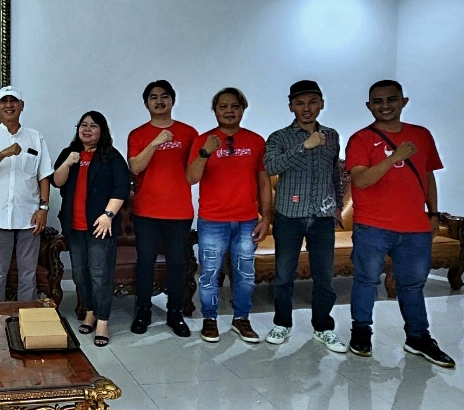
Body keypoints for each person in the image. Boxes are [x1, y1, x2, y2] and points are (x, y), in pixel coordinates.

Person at [345, 80, 455, 368]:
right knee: (366, 281)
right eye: (378, 101)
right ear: (369, 106)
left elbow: (428, 176)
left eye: (391, 99)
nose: (385, 106)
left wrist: (434, 213)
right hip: (372, 225)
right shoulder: (361, 139)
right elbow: (361, 180)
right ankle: (361, 333)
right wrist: (395, 157)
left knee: (413, 285)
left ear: (403, 101)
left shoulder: (421, 135)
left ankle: (418, 337)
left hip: (415, 227)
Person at [262, 80, 347, 353]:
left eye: (312, 102)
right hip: (289, 216)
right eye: (300, 103)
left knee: (324, 277)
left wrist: (337, 207)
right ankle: (282, 324)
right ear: (291, 107)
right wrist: (304, 146)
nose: (306, 108)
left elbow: (335, 174)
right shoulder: (279, 137)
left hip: (322, 216)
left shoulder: (332, 136)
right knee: (283, 275)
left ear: (321, 104)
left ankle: (323, 327)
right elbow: (270, 166)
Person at [186, 87, 271, 344]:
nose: (229, 111)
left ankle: (241, 318)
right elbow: (191, 178)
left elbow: (264, 181)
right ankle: (209, 319)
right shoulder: (203, 140)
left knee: (245, 273)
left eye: (235, 106)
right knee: (209, 273)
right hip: (213, 220)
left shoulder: (256, 141)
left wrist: (266, 217)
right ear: (215, 111)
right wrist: (205, 152)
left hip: (247, 220)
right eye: (223, 106)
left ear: (243, 109)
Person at [126, 80, 198, 337]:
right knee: (145, 262)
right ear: (146, 104)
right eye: (153, 97)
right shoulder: (138, 134)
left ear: (172, 100)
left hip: (179, 211)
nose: (159, 101)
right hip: (146, 211)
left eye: (164, 96)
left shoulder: (189, 133)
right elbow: (135, 167)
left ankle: (175, 312)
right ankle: (143, 310)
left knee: (177, 264)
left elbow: (194, 173)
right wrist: (156, 143)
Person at [52, 111, 129, 346]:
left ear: (102, 131)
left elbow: (121, 188)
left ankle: (103, 321)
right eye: (83, 125)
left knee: (100, 274)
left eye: (93, 126)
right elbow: (57, 181)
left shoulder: (111, 156)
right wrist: (68, 162)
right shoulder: (70, 154)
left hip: (100, 227)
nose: (87, 129)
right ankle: (90, 312)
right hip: (74, 227)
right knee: (79, 274)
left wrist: (108, 216)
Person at [0, 86, 54, 302]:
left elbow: (44, 176)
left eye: (14, 101)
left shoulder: (35, 138)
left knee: (28, 274)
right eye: (4, 101)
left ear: (22, 106)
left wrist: (43, 209)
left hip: (29, 216)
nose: (9, 105)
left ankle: (26, 318)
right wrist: (3, 153)